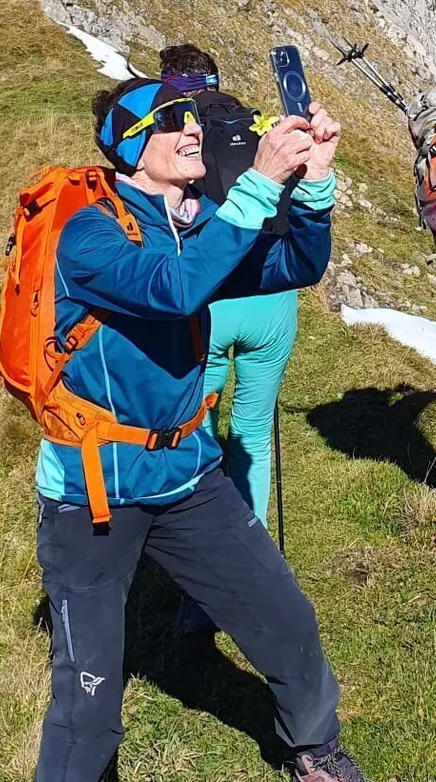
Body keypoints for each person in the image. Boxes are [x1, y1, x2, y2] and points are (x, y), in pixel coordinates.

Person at [33, 74, 368, 782]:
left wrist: (311, 184)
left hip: (188, 472)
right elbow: (172, 289)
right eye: (171, 122)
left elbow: (295, 264)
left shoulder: (190, 223)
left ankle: (313, 748)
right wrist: (258, 185)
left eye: (193, 119)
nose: (194, 132)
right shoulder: (86, 233)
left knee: (287, 621)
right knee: (88, 700)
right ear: (128, 147)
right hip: (93, 491)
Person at [156, 45, 299, 621]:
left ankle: (203, 585)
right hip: (274, 300)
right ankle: (257, 565)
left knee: (200, 436)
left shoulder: (177, 144)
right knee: (254, 432)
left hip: (211, 302)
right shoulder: (258, 127)